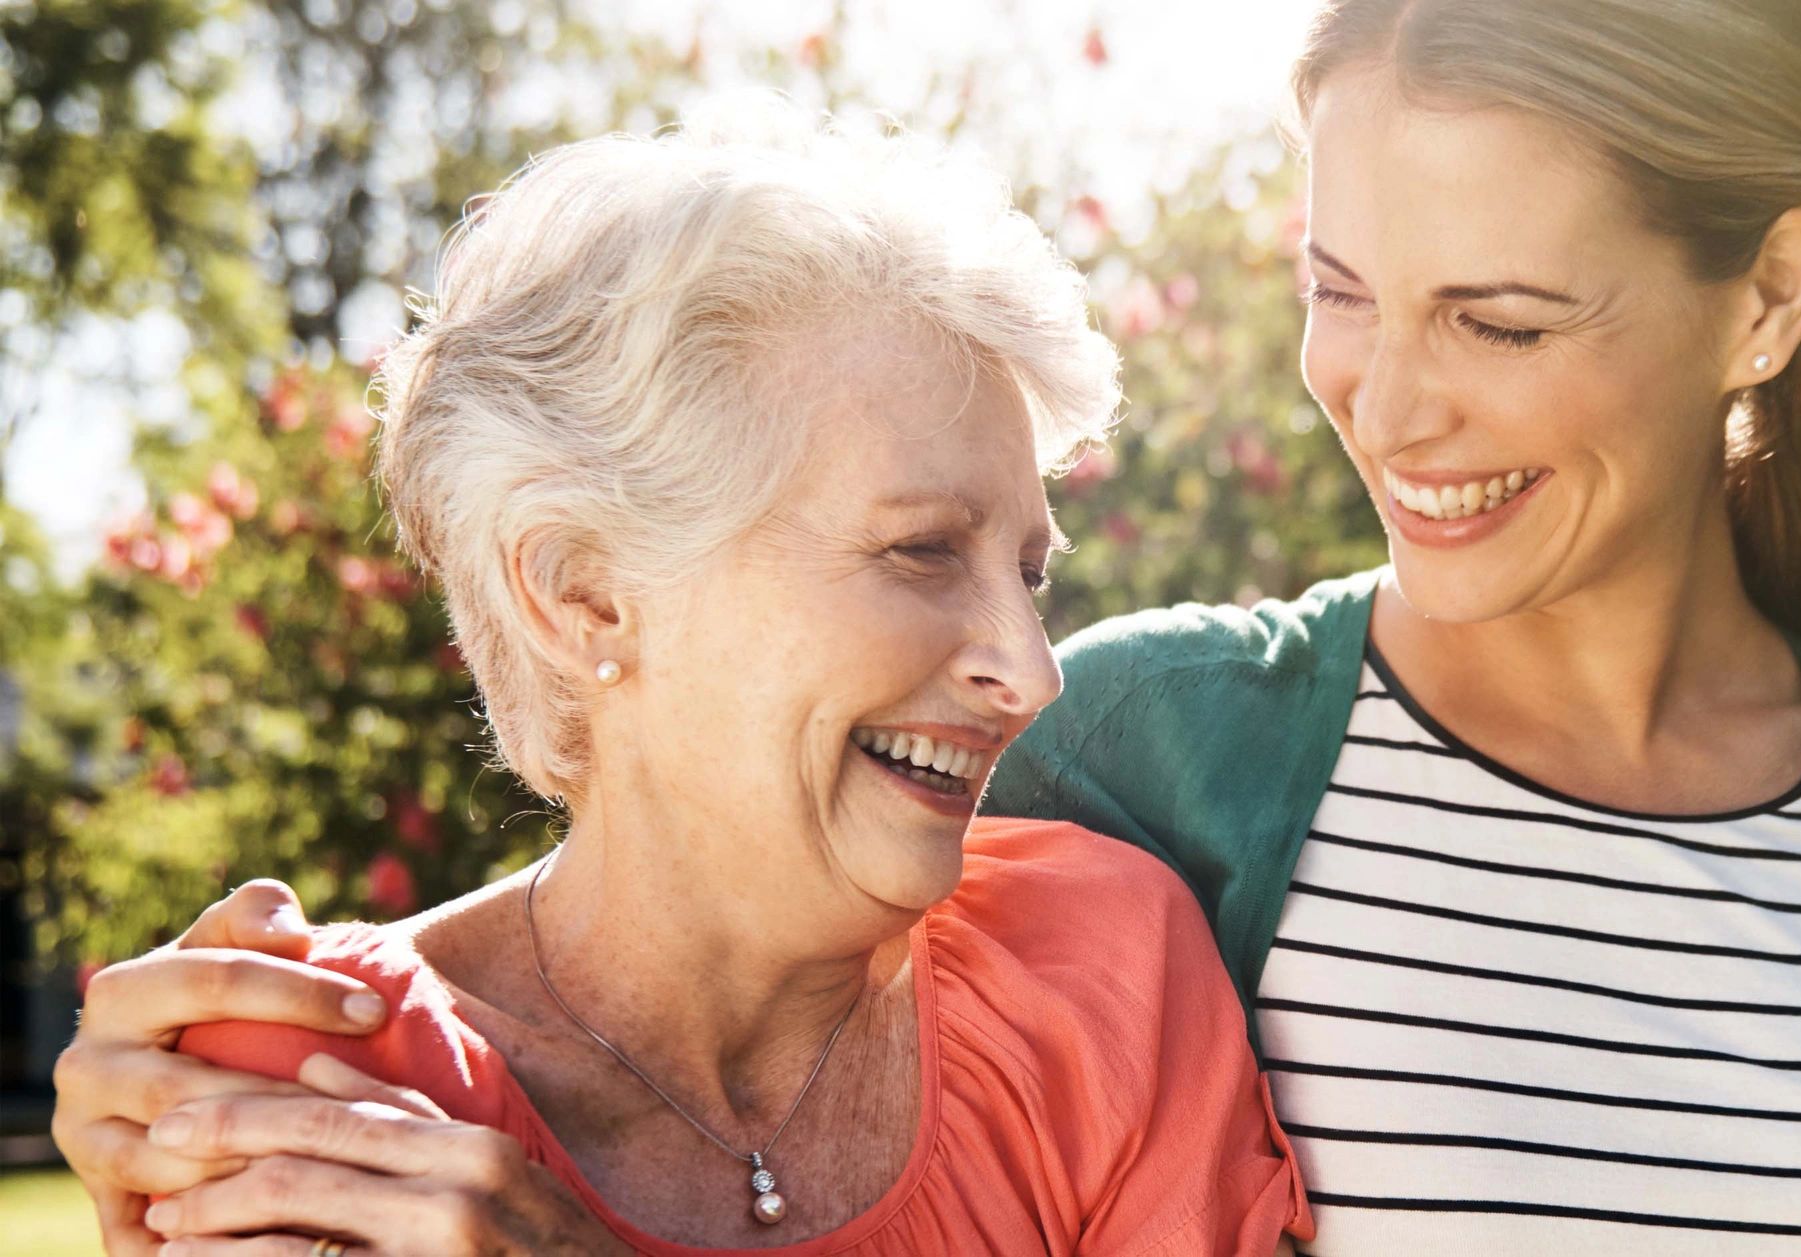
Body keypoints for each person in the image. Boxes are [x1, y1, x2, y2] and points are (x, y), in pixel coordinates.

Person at [57, 1, 1801, 1252]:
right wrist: (248, 1047)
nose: (1386, 406)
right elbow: (689, 846)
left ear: (1765, 302)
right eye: (1336, 287)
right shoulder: (1158, 767)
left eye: (1499, 318)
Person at [51, 110, 1309, 1256]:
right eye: (922, 549)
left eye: (1027, 573)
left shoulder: (1094, 974)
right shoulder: (325, 1079)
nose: (1031, 674)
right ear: (584, 590)